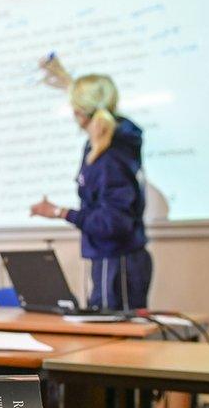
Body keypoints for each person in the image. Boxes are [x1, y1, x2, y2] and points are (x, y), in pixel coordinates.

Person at [31, 57, 151, 310]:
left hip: (117, 263)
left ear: (79, 112)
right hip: (111, 259)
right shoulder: (110, 144)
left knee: (114, 341)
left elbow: (112, 223)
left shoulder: (110, 157)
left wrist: (60, 212)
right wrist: (63, 77)